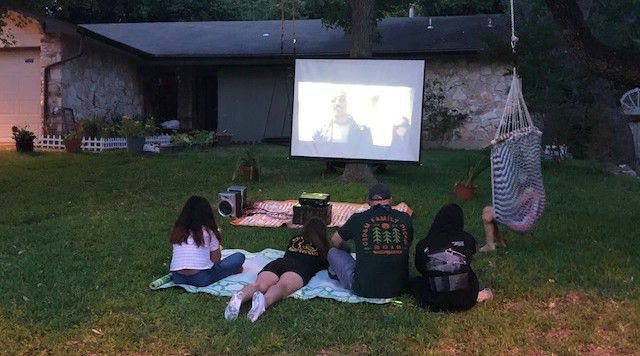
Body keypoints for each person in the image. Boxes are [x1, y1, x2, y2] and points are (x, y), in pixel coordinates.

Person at [224, 217, 329, 322]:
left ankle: (240, 296)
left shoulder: (295, 239)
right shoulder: (323, 248)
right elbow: (325, 264)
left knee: (259, 284)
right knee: (282, 286)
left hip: (280, 262)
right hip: (300, 267)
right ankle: (264, 302)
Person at [327, 183, 413, 298]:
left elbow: (335, 240)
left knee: (333, 253)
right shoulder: (405, 218)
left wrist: (346, 249)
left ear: (368, 202)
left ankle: (336, 272)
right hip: (399, 288)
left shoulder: (358, 218)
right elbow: (408, 243)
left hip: (363, 288)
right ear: (391, 201)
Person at [410, 204, 493, 311]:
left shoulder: (423, 243)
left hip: (432, 301)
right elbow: (468, 260)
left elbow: (421, 267)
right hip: (465, 301)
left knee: (415, 282)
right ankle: (477, 294)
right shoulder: (467, 239)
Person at [169, 196, 245, 287]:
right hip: (200, 278)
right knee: (239, 256)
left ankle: (232, 269)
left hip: (177, 278)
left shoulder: (178, 231)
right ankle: (233, 270)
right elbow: (216, 260)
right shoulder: (208, 232)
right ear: (207, 214)